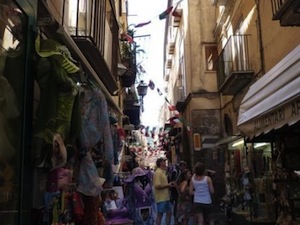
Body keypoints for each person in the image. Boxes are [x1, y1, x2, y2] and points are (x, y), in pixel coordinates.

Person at [153, 157, 176, 225]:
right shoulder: (158, 173)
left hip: (165, 197)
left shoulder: (163, 172)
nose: (165, 163)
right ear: (160, 163)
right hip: (161, 198)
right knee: (160, 214)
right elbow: (157, 186)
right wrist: (167, 185)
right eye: (164, 161)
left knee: (169, 213)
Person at [169, 161, 187, 225]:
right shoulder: (177, 172)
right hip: (175, 191)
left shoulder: (176, 171)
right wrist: (177, 189)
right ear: (182, 166)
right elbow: (173, 182)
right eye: (184, 166)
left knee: (177, 206)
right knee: (176, 205)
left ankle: (177, 220)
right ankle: (176, 221)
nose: (184, 168)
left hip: (174, 191)